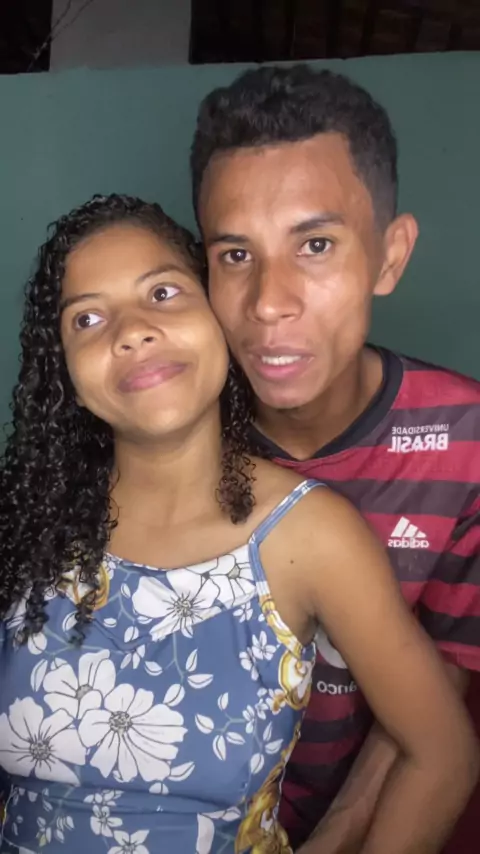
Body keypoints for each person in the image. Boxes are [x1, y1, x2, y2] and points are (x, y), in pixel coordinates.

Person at [0, 195, 477, 854]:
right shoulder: (26, 523)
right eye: (88, 318)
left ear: (218, 319)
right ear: (66, 372)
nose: (132, 331)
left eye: (163, 293)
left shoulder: (309, 534)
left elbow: (444, 755)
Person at [190, 64, 480, 852]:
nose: (268, 302)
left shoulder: (462, 442)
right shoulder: (172, 434)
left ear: (390, 256)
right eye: (235, 255)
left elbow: (434, 700)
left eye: (315, 244)